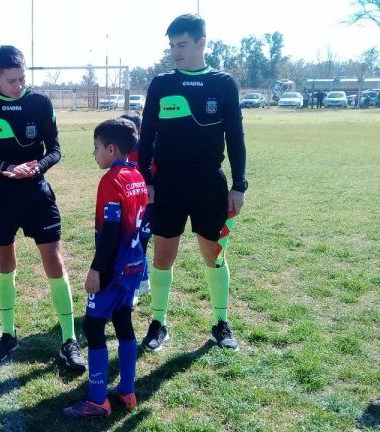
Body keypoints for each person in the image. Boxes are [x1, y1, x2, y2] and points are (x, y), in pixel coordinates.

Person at [0, 45, 86, 371]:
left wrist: (38, 166)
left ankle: (69, 340)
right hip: (0, 195)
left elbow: (56, 149)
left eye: (21, 79)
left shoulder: (39, 101)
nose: (18, 86)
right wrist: (5, 166)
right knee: (5, 261)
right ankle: (8, 335)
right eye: (10, 81)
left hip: (37, 193)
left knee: (55, 260)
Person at [137, 14, 248, 352]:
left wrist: (239, 185)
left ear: (202, 42)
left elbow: (236, 137)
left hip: (208, 184)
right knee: (163, 255)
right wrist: (147, 181)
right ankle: (158, 322)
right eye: (171, 46)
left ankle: (220, 322)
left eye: (181, 45)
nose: (175, 52)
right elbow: (147, 137)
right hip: (167, 183)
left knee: (213, 254)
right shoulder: (161, 84)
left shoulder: (224, 83)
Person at [63, 119, 148, 419]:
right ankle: (127, 388)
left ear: (111, 149)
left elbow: (112, 229)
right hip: (134, 264)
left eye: (96, 148)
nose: (94, 153)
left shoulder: (112, 181)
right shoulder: (137, 175)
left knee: (93, 325)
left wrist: (97, 269)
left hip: (113, 268)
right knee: (123, 320)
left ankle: (98, 399)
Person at [119, 111, 152, 305]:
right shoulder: (121, 150)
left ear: (138, 130)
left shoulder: (148, 150)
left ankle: (137, 286)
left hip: (147, 206)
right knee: (135, 242)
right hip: (128, 206)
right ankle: (143, 282)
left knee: (139, 244)